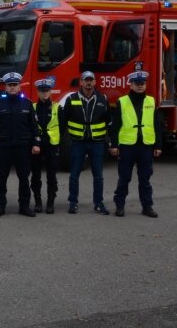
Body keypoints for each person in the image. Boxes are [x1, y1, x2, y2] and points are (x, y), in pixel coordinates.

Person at [0, 72, 41, 217]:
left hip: (23, 147)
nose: (12, 88)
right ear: (5, 87)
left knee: (24, 178)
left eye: (14, 85)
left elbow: (34, 126)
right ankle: (0, 206)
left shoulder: (27, 103)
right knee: (1, 178)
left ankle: (24, 206)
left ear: (19, 86)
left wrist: (36, 143)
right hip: (4, 146)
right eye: (9, 85)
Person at [109, 70, 162, 218]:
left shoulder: (151, 101)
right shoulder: (122, 101)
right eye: (137, 83)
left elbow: (157, 126)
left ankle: (147, 206)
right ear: (130, 84)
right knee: (124, 177)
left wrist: (158, 146)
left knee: (145, 178)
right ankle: (119, 206)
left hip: (145, 146)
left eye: (142, 83)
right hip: (127, 146)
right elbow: (116, 125)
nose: (140, 86)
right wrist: (114, 145)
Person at [62, 71, 110, 215]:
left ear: (95, 82)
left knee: (98, 176)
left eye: (91, 80)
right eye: (85, 80)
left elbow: (108, 121)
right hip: (78, 143)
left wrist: (110, 142)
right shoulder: (71, 99)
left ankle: (98, 203)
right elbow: (63, 121)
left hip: (97, 143)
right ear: (81, 83)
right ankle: (73, 203)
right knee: (74, 174)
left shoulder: (103, 99)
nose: (88, 83)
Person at [30, 78, 60, 214]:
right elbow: (30, 126)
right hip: (36, 146)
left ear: (51, 91)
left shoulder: (57, 107)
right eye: (42, 91)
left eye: (47, 91)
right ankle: (38, 202)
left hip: (51, 145)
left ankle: (50, 202)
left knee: (51, 176)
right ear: (38, 92)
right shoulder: (33, 108)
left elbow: (63, 126)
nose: (45, 94)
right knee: (36, 176)